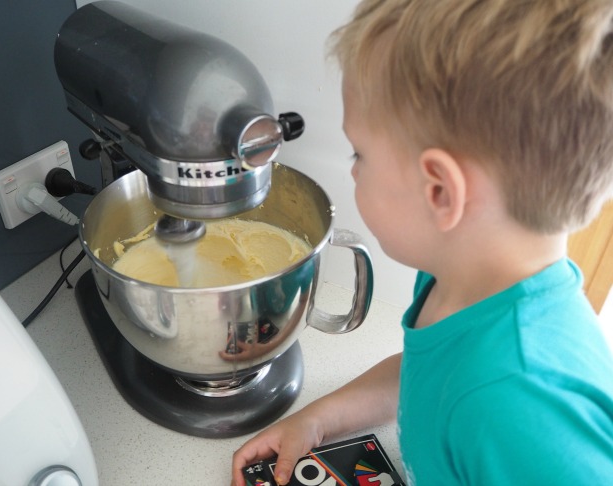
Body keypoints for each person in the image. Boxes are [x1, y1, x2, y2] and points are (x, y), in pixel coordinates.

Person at [231, 0, 613, 484]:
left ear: (439, 192)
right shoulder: (456, 276)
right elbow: (426, 377)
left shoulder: (522, 403)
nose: (352, 170)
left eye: (359, 153)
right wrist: (318, 420)